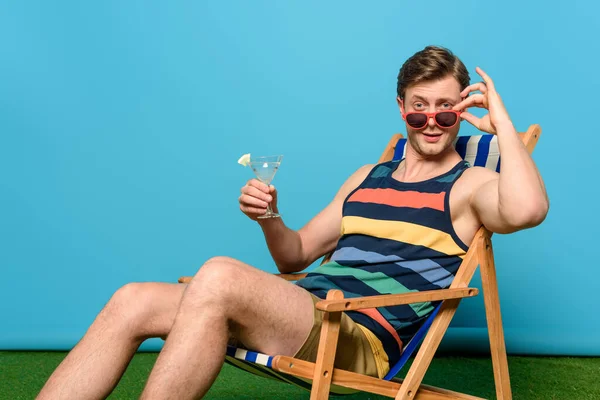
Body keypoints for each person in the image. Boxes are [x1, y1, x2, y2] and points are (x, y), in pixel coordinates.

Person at [37, 45, 549, 400]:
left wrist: (502, 123)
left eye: (447, 110)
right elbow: (296, 255)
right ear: (401, 109)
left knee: (217, 275)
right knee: (133, 299)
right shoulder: (369, 176)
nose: (433, 122)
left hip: (352, 333)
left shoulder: (470, 184)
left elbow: (527, 210)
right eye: (419, 110)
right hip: (305, 308)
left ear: (464, 109)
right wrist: (271, 218)